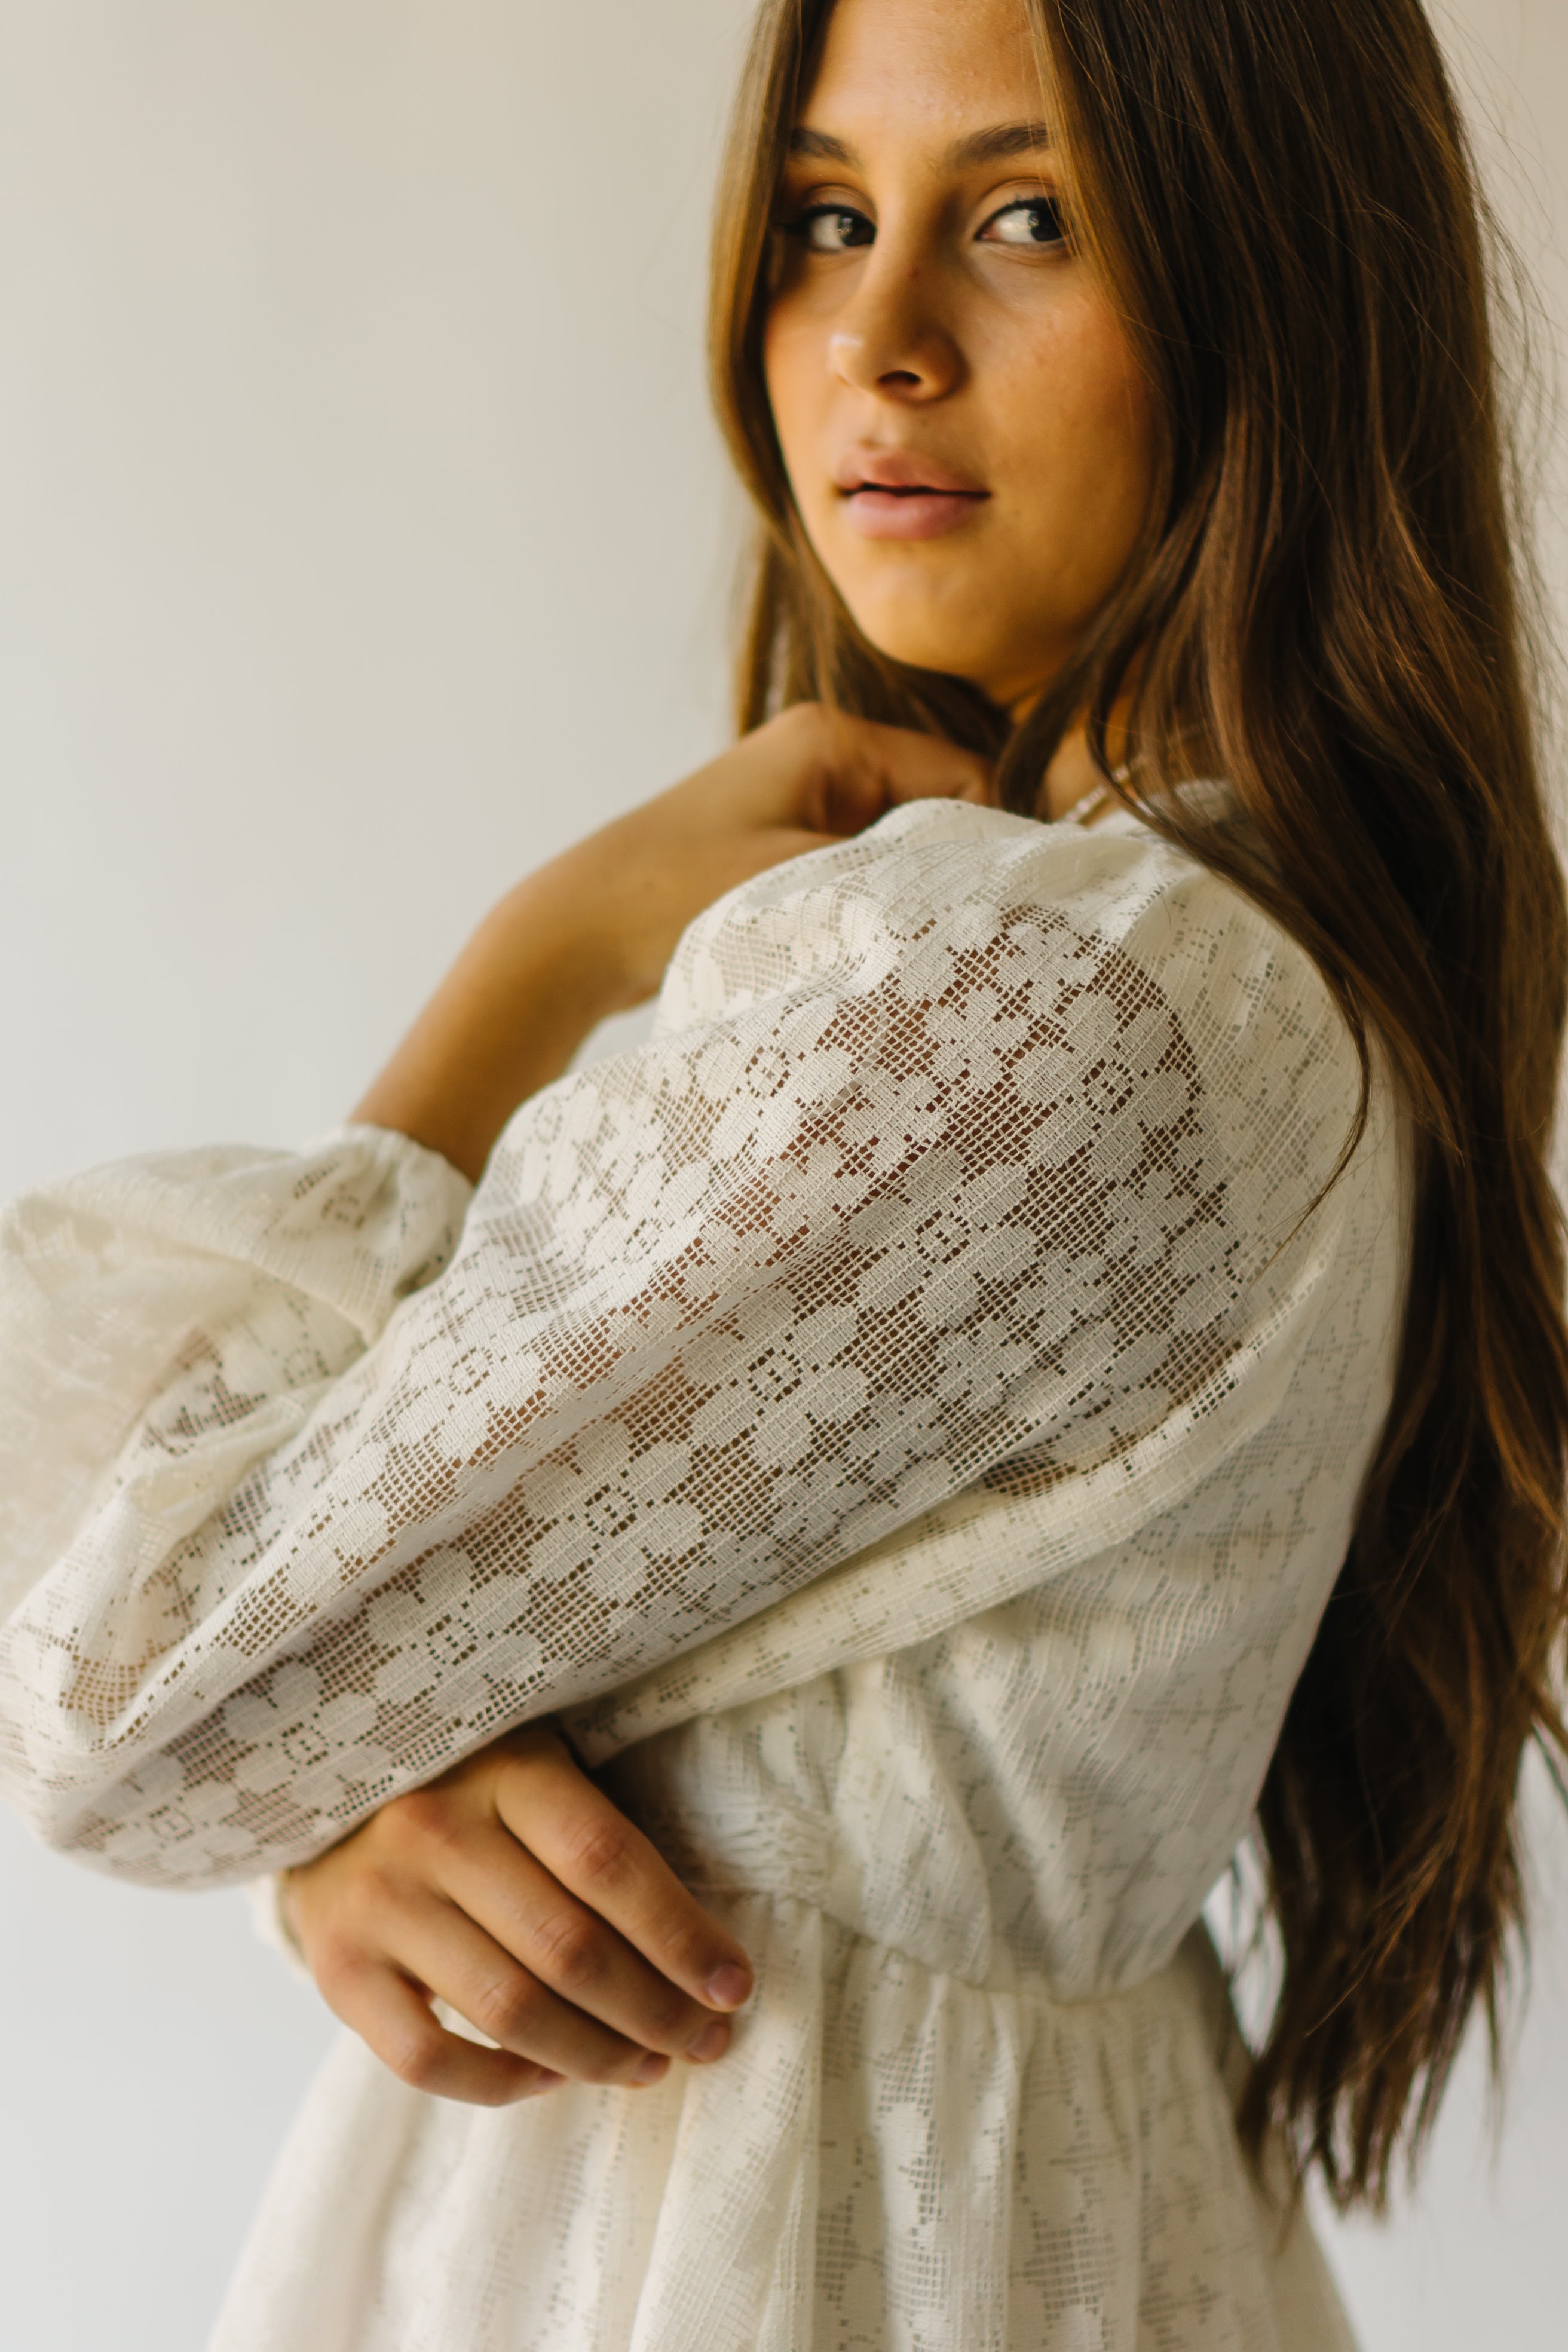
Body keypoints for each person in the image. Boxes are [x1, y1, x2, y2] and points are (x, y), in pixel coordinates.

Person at [2, 0, 1565, 2343]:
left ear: (1269, 288)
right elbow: (234, 1689)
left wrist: (520, 969)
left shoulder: (1034, 997)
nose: (876, 337)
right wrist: (338, 1802)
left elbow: (117, 1682)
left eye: (1024, 219)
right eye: (826, 216)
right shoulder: (1251, 969)